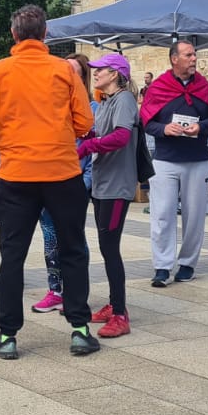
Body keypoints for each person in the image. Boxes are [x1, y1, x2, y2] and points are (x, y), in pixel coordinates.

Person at [0, 5, 97, 359]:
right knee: (73, 251)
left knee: (12, 255)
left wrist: (6, 138)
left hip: (16, 174)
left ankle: (7, 336)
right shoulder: (63, 70)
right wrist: (57, 135)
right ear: (45, 35)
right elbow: (84, 121)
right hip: (62, 172)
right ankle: (80, 330)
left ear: (14, 35)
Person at [142, 41, 208, 287]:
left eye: (194, 54)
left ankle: (188, 263)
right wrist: (165, 128)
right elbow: (146, 122)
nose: (194, 58)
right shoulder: (158, 87)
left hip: (197, 160)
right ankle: (162, 266)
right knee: (162, 215)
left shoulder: (203, 86)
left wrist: (201, 127)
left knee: (195, 215)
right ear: (174, 59)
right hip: (166, 160)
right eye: (189, 55)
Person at [78, 53, 140, 337]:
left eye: (100, 70)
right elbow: (98, 132)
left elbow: (121, 137)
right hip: (103, 185)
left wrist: (88, 146)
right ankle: (114, 304)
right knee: (105, 246)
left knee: (111, 248)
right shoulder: (105, 102)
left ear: (115, 74)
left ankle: (120, 314)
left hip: (117, 187)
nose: (96, 75)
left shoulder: (125, 100)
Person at [31, 56, 93, 314]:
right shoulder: (48, 107)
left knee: (74, 240)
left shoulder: (90, 109)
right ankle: (55, 289)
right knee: (50, 239)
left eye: (72, 71)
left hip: (74, 184)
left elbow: (92, 155)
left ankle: (76, 294)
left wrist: (83, 185)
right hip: (44, 182)